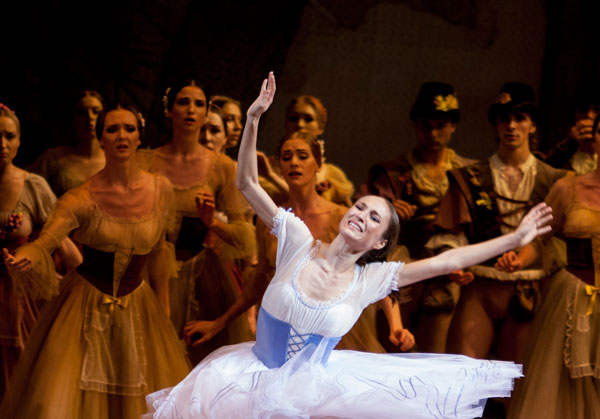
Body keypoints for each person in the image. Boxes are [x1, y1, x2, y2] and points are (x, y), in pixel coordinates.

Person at [145, 73, 551, 419]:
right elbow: (247, 184)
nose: (362, 215)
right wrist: (252, 120)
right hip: (246, 380)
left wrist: (514, 240)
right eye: (360, 206)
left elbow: (448, 260)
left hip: (316, 392)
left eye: (375, 218)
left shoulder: (373, 278)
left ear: (380, 241)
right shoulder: (299, 241)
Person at [0, 104, 190, 419]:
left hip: (139, 305)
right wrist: (24, 256)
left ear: (140, 137)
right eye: (111, 129)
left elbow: (159, 253)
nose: (121, 135)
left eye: (129, 128)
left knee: (143, 400)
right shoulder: (82, 197)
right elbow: (47, 241)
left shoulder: (160, 189)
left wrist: (166, 313)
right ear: (100, 138)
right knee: (59, 401)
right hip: (84, 302)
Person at [184, 129, 414, 353]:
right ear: (279, 166)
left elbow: (377, 275)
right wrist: (220, 322)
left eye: (303, 156)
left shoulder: (344, 218)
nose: (294, 163)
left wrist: (396, 326)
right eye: (287, 157)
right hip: (285, 330)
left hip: (331, 334)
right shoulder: (271, 220)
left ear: (318, 163)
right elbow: (258, 282)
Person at [431, 82, 569, 367]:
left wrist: (526, 256)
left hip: (531, 291)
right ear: (495, 125)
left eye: (520, 118)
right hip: (480, 287)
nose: (511, 125)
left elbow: (559, 240)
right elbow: (449, 234)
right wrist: (454, 264)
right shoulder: (470, 177)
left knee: (517, 386)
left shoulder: (556, 180)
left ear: (532, 125)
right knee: (460, 374)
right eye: (504, 118)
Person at [137, 80, 254, 364]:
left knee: (199, 360)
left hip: (202, 275)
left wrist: (212, 221)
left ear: (205, 113)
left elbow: (244, 237)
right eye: (183, 102)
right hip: (147, 272)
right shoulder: (145, 161)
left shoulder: (223, 167)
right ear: (169, 110)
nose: (191, 109)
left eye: (198, 104)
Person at [501, 112, 600, 418]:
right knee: (561, 389)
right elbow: (540, 240)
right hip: (574, 297)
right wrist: (519, 258)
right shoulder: (568, 188)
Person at [365, 82, 473, 353]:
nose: (433, 133)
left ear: (453, 126)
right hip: (400, 267)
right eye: (427, 125)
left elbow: (480, 228)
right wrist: (388, 211)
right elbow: (363, 218)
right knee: (391, 347)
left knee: (433, 355)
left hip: (445, 273)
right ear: (416, 125)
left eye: (441, 125)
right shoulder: (392, 173)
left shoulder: (467, 174)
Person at [0, 104, 81, 399]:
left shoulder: (32, 186)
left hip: (24, 295)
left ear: (19, 141)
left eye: (9, 136)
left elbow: (58, 239)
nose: (2, 144)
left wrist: (86, 278)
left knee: (24, 369)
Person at [29, 90, 105, 197]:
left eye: (96, 111)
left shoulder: (114, 160)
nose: (90, 117)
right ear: (73, 119)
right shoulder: (53, 159)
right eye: (82, 113)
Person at [543, 82, 600, 175]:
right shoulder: (565, 150)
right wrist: (569, 144)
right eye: (583, 110)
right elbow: (544, 176)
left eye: (596, 110)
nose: (589, 116)